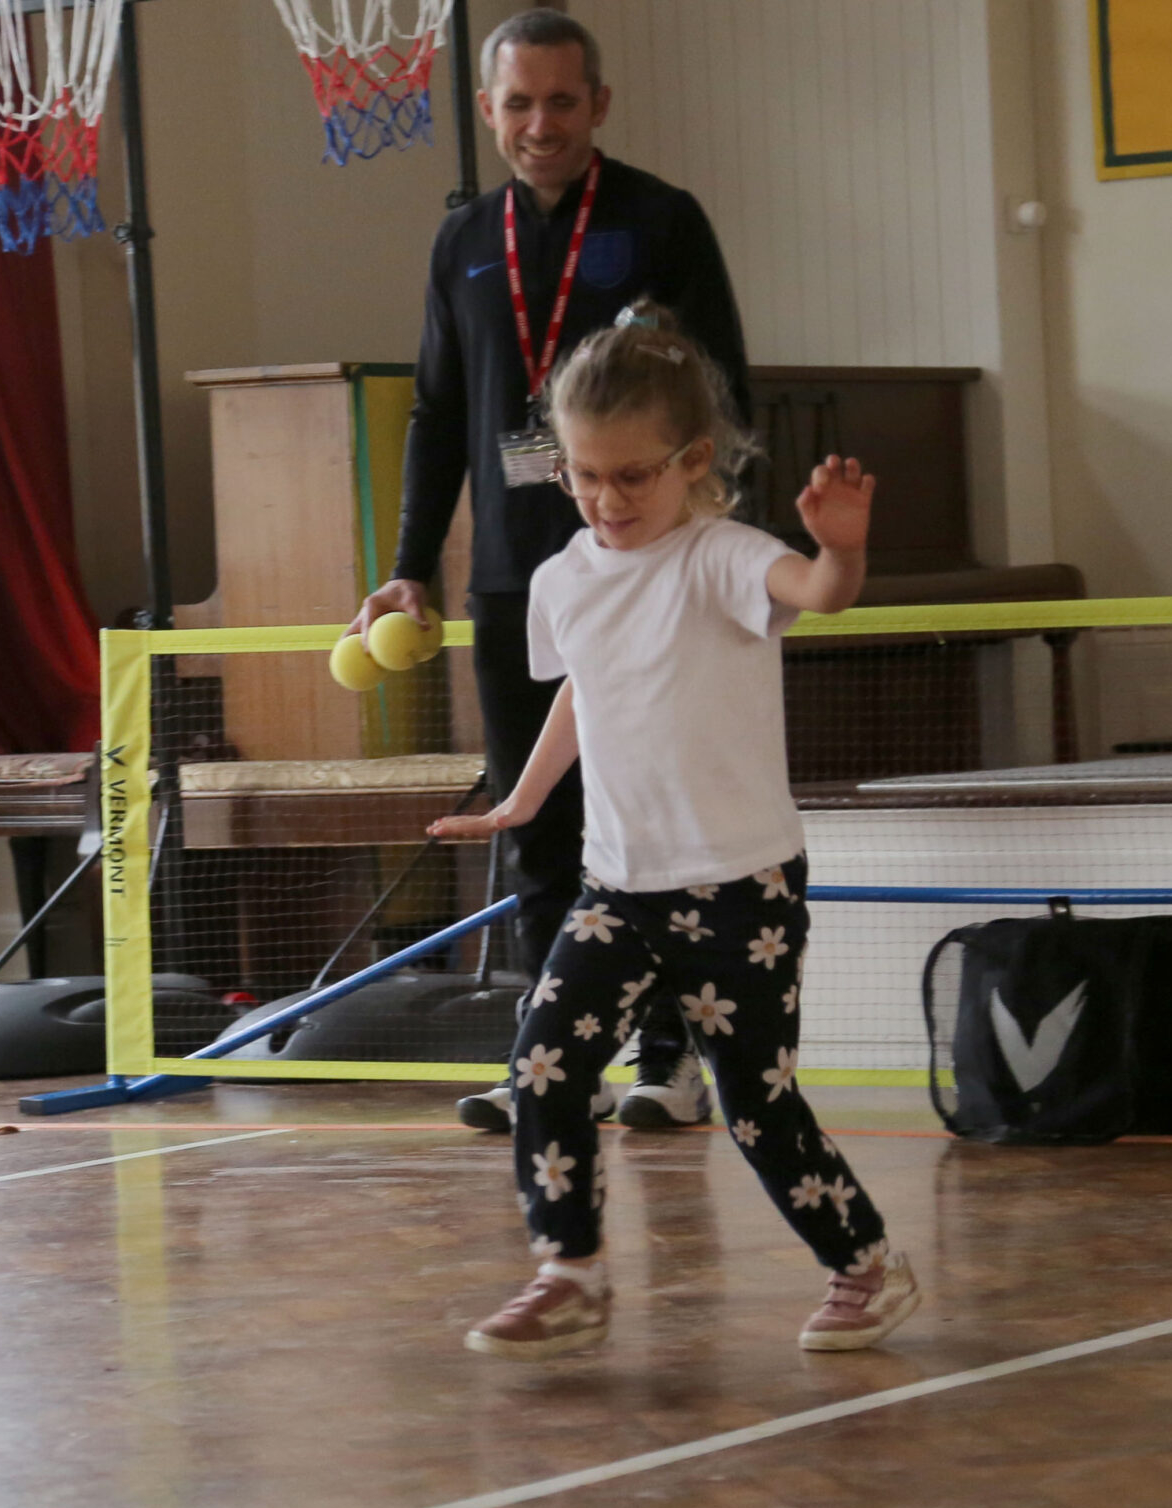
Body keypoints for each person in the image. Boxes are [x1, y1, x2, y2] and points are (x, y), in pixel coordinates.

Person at [428, 303, 918, 1360]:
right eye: (583, 475)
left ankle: (863, 1262)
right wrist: (521, 798)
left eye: (633, 477)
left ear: (694, 462)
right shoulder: (562, 578)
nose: (605, 500)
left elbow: (820, 593)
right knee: (545, 1069)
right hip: (618, 885)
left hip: (739, 885)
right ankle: (571, 1269)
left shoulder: (724, 558)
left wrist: (842, 550)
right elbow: (581, 696)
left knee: (754, 1104)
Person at [347, 8, 750, 1137]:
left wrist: (710, 553)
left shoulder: (660, 220)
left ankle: (668, 1061)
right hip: (517, 580)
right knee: (540, 828)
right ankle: (549, 1051)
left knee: (651, 820)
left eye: (560, 102)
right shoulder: (461, 239)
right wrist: (408, 567)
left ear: (598, 106)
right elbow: (434, 413)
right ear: (486, 112)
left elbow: (724, 391)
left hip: (645, 574)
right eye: (516, 104)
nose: (538, 124)